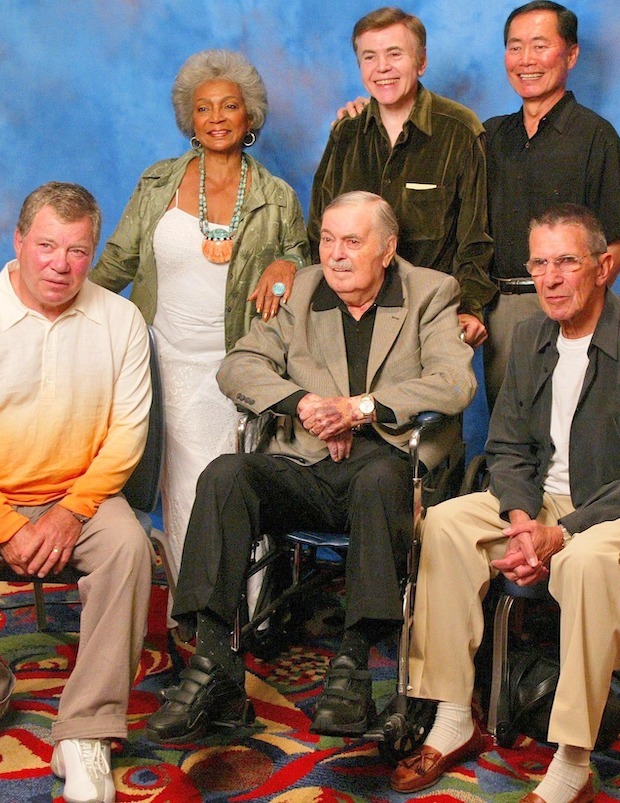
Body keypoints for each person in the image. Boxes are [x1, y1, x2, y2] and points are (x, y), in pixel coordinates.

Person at [392, 204, 620, 803]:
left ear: (603, 267)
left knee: (587, 561)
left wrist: (563, 533)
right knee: (446, 523)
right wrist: (520, 521)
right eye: (539, 264)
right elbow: (507, 446)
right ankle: (455, 714)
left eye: (566, 262)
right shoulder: (532, 336)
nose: (551, 278)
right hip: (542, 504)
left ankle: (573, 759)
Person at [146, 191, 476, 744]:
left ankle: (351, 665)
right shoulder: (300, 289)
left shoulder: (430, 293)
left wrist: (359, 408)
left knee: (375, 478)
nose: (336, 255)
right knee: (227, 475)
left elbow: (453, 381)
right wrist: (303, 402)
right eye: (327, 239)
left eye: (353, 241)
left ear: (388, 249)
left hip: (386, 466)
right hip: (305, 459)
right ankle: (213, 665)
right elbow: (239, 365)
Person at [0, 182, 153, 803]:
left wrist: (72, 512)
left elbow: (128, 434)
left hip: (82, 495)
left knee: (130, 551)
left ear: (92, 251)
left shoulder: (120, 320)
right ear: (19, 242)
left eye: (77, 251)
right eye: (47, 245)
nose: (60, 264)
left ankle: (86, 729)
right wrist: (8, 525)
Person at [91, 50, 309, 583]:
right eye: (204, 108)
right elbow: (119, 259)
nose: (216, 118)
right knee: (180, 486)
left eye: (229, 106)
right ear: (189, 119)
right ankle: (195, 608)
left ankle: (239, 607)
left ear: (249, 116)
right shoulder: (157, 183)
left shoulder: (277, 197)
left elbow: (303, 262)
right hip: (164, 361)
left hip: (238, 364)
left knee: (229, 483)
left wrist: (289, 263)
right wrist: (60, 305)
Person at [310, 7, 495, 348]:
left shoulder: (459, 131)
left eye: (395, 54)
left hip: (430, 322)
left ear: (421, 62)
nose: (382, 68)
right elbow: (316, 231)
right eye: (370, 57)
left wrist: (470, 308)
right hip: (349, 322)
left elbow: (476, 239)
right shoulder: (346, 133)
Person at [483, 1, 620, 410]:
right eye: (515, 47)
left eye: (539, 45)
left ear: (571, 54)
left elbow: (618, 241)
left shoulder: (596, 138)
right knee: (510, 430)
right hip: (496, 311)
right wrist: (364, 113)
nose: (526, 60)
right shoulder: (489, 136)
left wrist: (573, 309)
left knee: (568, 428)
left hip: (566, 307)